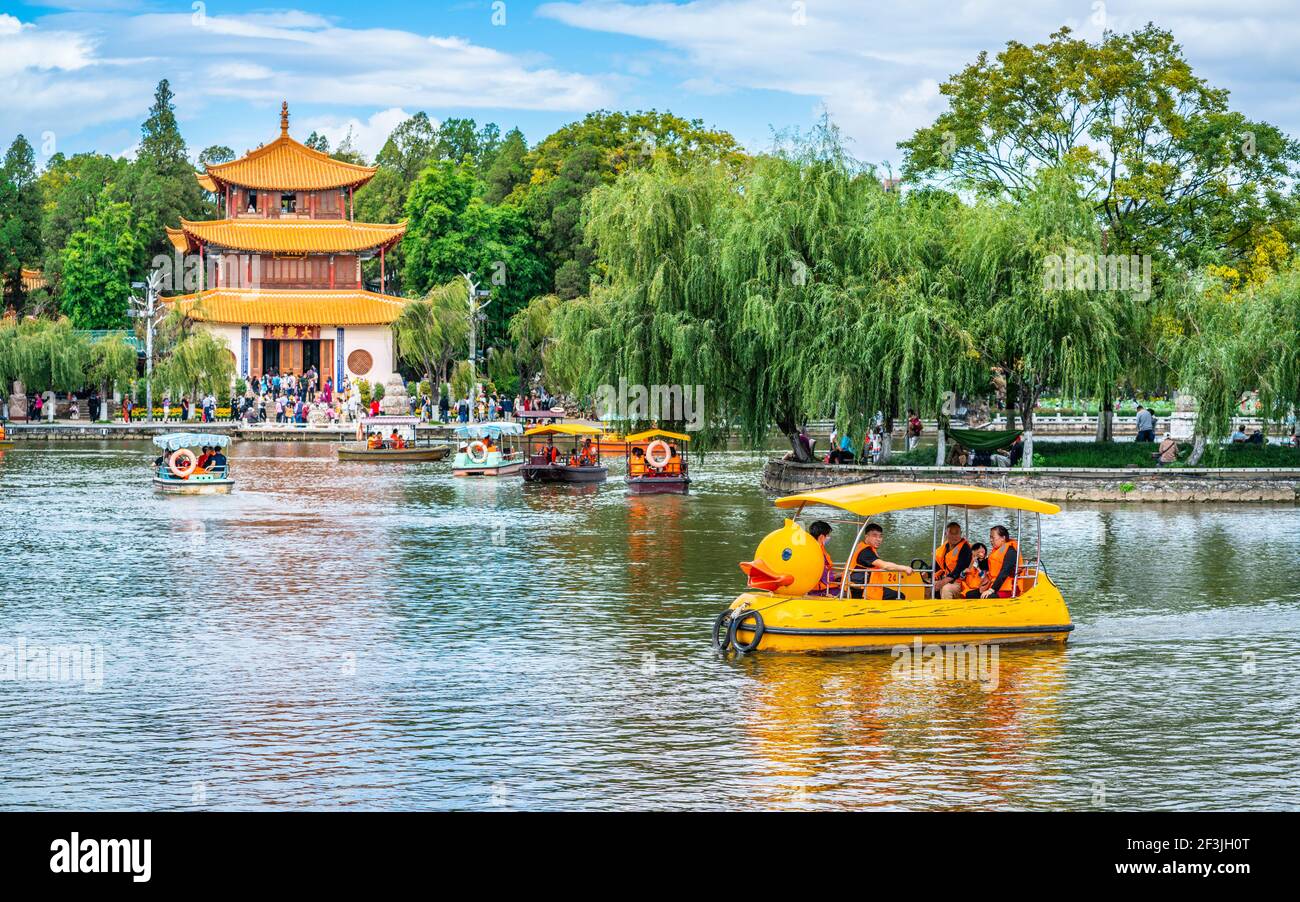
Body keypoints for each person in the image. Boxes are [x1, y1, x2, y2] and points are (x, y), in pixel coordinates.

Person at [847, 523, 913, 600]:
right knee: (899, 596)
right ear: (866, 537)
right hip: (862, 590)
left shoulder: (861, 547)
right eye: (874, 536)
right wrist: (904, 568)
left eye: (880, 536)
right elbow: (885, 566)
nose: (878, 539)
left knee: (893, 593)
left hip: (861, 586)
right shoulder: (865, 551)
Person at [931, 522, 972, 599]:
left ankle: (947, 610)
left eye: (957, 533)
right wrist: (925, 573)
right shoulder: (944, 548)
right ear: (946, 534)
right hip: (946, 578)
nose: (954, 536)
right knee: (925, 585)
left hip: (961, 583)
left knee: (946, 589)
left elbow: (959, 569)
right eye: (951, 533)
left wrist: (942, 582)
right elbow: (937, 565)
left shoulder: (965, 548)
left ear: (961, 534)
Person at [982, 525, 1019, 599]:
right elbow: (988, 567)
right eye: (990, 537)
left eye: (993, 537)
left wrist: (992, 589)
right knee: (970, 594)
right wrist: (979, 559)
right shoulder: (996, 551)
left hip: (1008, 589)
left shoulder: (1011, 551)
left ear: (1003, 538)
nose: (991, 540)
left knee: (988, 597)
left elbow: (1004, 571)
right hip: (995, 585)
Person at [808, 520, 839, 596]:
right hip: (820, 590)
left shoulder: (810, 548)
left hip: (815, 587)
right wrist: (841, 574)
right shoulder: (817, 553)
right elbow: (824, 576)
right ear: (822, 537)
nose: (829, 538)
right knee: (846, 590)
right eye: (827, 535)